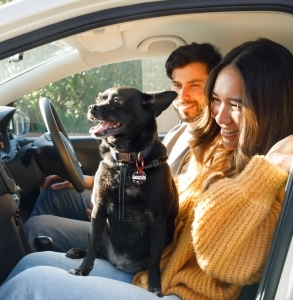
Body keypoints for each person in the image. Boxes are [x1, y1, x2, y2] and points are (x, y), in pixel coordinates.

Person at [0, 38, 293, 300]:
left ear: (270, 106)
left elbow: (215, 256)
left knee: (34, 296)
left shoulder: (273, 181)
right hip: (165, 280)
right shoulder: (224, 152)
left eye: (236, 104)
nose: (219, 115)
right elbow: (178, 218)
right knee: (34, 264)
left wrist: (267, 172)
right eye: (216, 100)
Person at [24, 42, 222, 251]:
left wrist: (118, 214)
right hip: (128, 207)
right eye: (177, 85)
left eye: (194, 85)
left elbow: (178, 214)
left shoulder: (218, 147)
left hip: (144, 243)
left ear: (214, 87)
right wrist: (93, 182)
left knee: (37, 228)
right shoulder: (179, 131)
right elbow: (149, 178)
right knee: (54, 194)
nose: (182, 97)